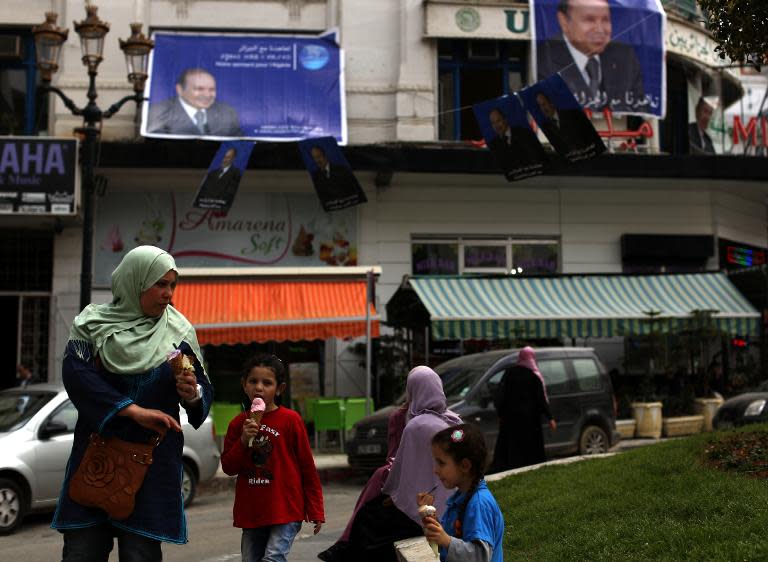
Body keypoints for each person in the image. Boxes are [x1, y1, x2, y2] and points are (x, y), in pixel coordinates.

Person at [51, 245, 213, 561]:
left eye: (172, 285)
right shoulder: (92, 325)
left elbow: (202, 389)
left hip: (151, 468)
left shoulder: (177, 334)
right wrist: (132, 410)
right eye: (160, 284)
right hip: (96, 460)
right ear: (134, 282)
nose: (168, 293)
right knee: (82, 552)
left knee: (141, 554)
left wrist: (191, 393)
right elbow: (77, 375)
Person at [342, 366, 462, 562]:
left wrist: (389, 494)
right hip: (453, 504)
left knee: (368, 519)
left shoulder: (416, 426)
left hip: (423, 512)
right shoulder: (454, 421)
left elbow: (398, 475)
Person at [221, 354, 324, 562]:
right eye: (253, 381)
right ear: (244, 385)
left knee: (273, 558)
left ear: (279, 389)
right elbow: (229, 467)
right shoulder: (237, 423)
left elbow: (306, 466)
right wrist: (243, 440)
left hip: (285, 508)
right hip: (252, 511)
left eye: (267, 383)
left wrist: (316, 508)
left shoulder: (291, 420)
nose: (259, 387)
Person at [317, 402, 409, 561]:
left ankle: (345, 543)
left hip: (413, 497)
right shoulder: (450, 420)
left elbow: (396, 454)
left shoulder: (409, 420)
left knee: (369, 511)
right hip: (419, 496)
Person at [537, 0, 645, 113]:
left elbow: (642, 113)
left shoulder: (625, 57)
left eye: (605, 20)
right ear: (564, 21)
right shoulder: (543, 59)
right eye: (589, 20)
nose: (599, 29)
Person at [419, 424, 505, 562]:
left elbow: (481, 556)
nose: (436, 470)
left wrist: (446, 541)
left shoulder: (479, 504)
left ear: (465, 465)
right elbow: (445, 546)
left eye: (441, 463)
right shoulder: (461, 499)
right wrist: (429, 518)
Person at [491, 346, 556, 472]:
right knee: (530, 451)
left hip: (511, 420)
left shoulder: (509, 373)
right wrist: (550, 418)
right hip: (530, 422)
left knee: (511, 449)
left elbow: (500, 395)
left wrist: (500, 414)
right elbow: (541, 400)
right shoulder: (534, 377)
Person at [147, 67, 243, 136]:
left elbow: (237, 147)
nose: (207, 95)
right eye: (199, 89)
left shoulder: (227, 113)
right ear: (180, 90)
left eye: (212, 89)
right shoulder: (159, 112)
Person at [534, 91, 601, 157]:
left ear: (551, 102)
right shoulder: (546, 125)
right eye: (540, 106)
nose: (543, 109)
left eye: (544, 104)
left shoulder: (571, 115)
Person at [486, 108, 545, 180]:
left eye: (498, 121)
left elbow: (536, 156)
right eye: (493, 123)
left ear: (505, 119)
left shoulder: (524, 133)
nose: (496, 126)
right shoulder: (493, 144)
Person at [309, 145, 365, 210]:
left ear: (325, 156)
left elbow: (353, 189)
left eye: (319, 156)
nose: (317, 160)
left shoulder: (342, 170)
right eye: (314, 158)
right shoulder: (316, 176)